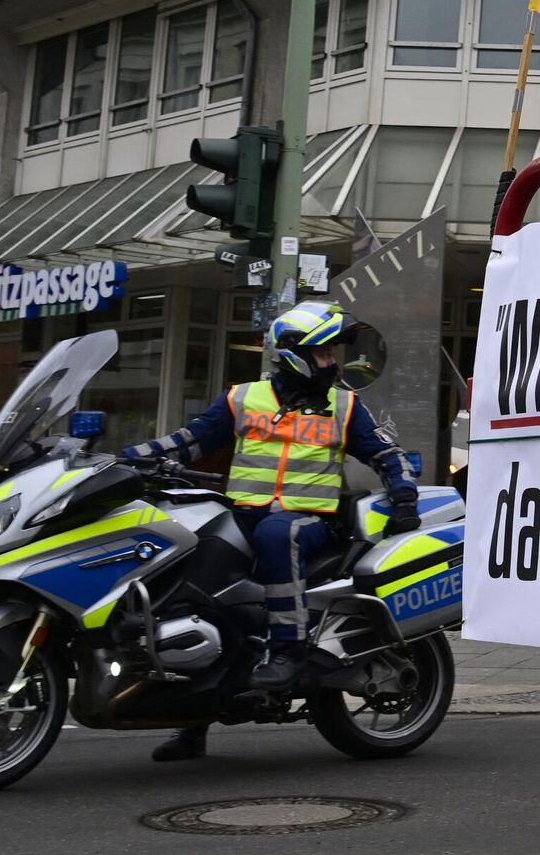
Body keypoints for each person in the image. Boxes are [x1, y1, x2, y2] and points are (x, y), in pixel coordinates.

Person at [121, 301, 420, 762]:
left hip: (310, 520)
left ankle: (289, 650)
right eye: (324, 353)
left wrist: (404, 500)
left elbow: (387, 455)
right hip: (244, 515)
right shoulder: (243, 398)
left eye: (332, 353)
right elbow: (190, 440)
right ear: (296, 353)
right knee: (193, 579)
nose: (333, 361)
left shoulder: (343, 405)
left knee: (280, 535)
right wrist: (124, 460)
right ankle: (193, 716)